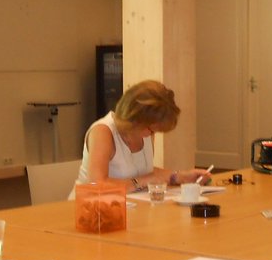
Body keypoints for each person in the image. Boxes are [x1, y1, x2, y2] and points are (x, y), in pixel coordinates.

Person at [75, 79, 211, 192]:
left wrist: (180, 177)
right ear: (135, 119)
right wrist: (143, 181)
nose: (152, 134)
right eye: (151, 130)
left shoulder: (145, 133)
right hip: (90, 213)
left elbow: (145, 172)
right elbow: (97, 185)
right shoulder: (103, 132)